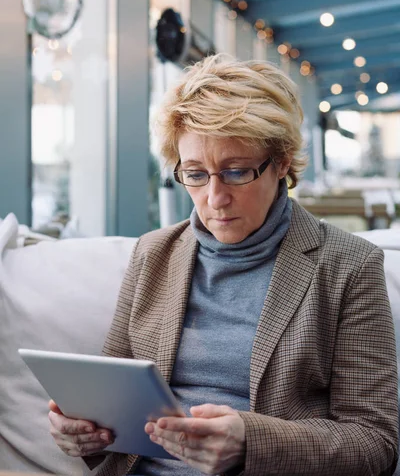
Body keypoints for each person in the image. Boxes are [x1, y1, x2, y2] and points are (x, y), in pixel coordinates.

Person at [49, 54, 398, 476]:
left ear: (282, 162)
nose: (215, 198)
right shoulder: (153, 254)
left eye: (235, 173)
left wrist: (251, 443)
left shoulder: (348, 265)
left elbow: (374, 441)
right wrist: (85, 434)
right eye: (195, 174)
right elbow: (112, 404)